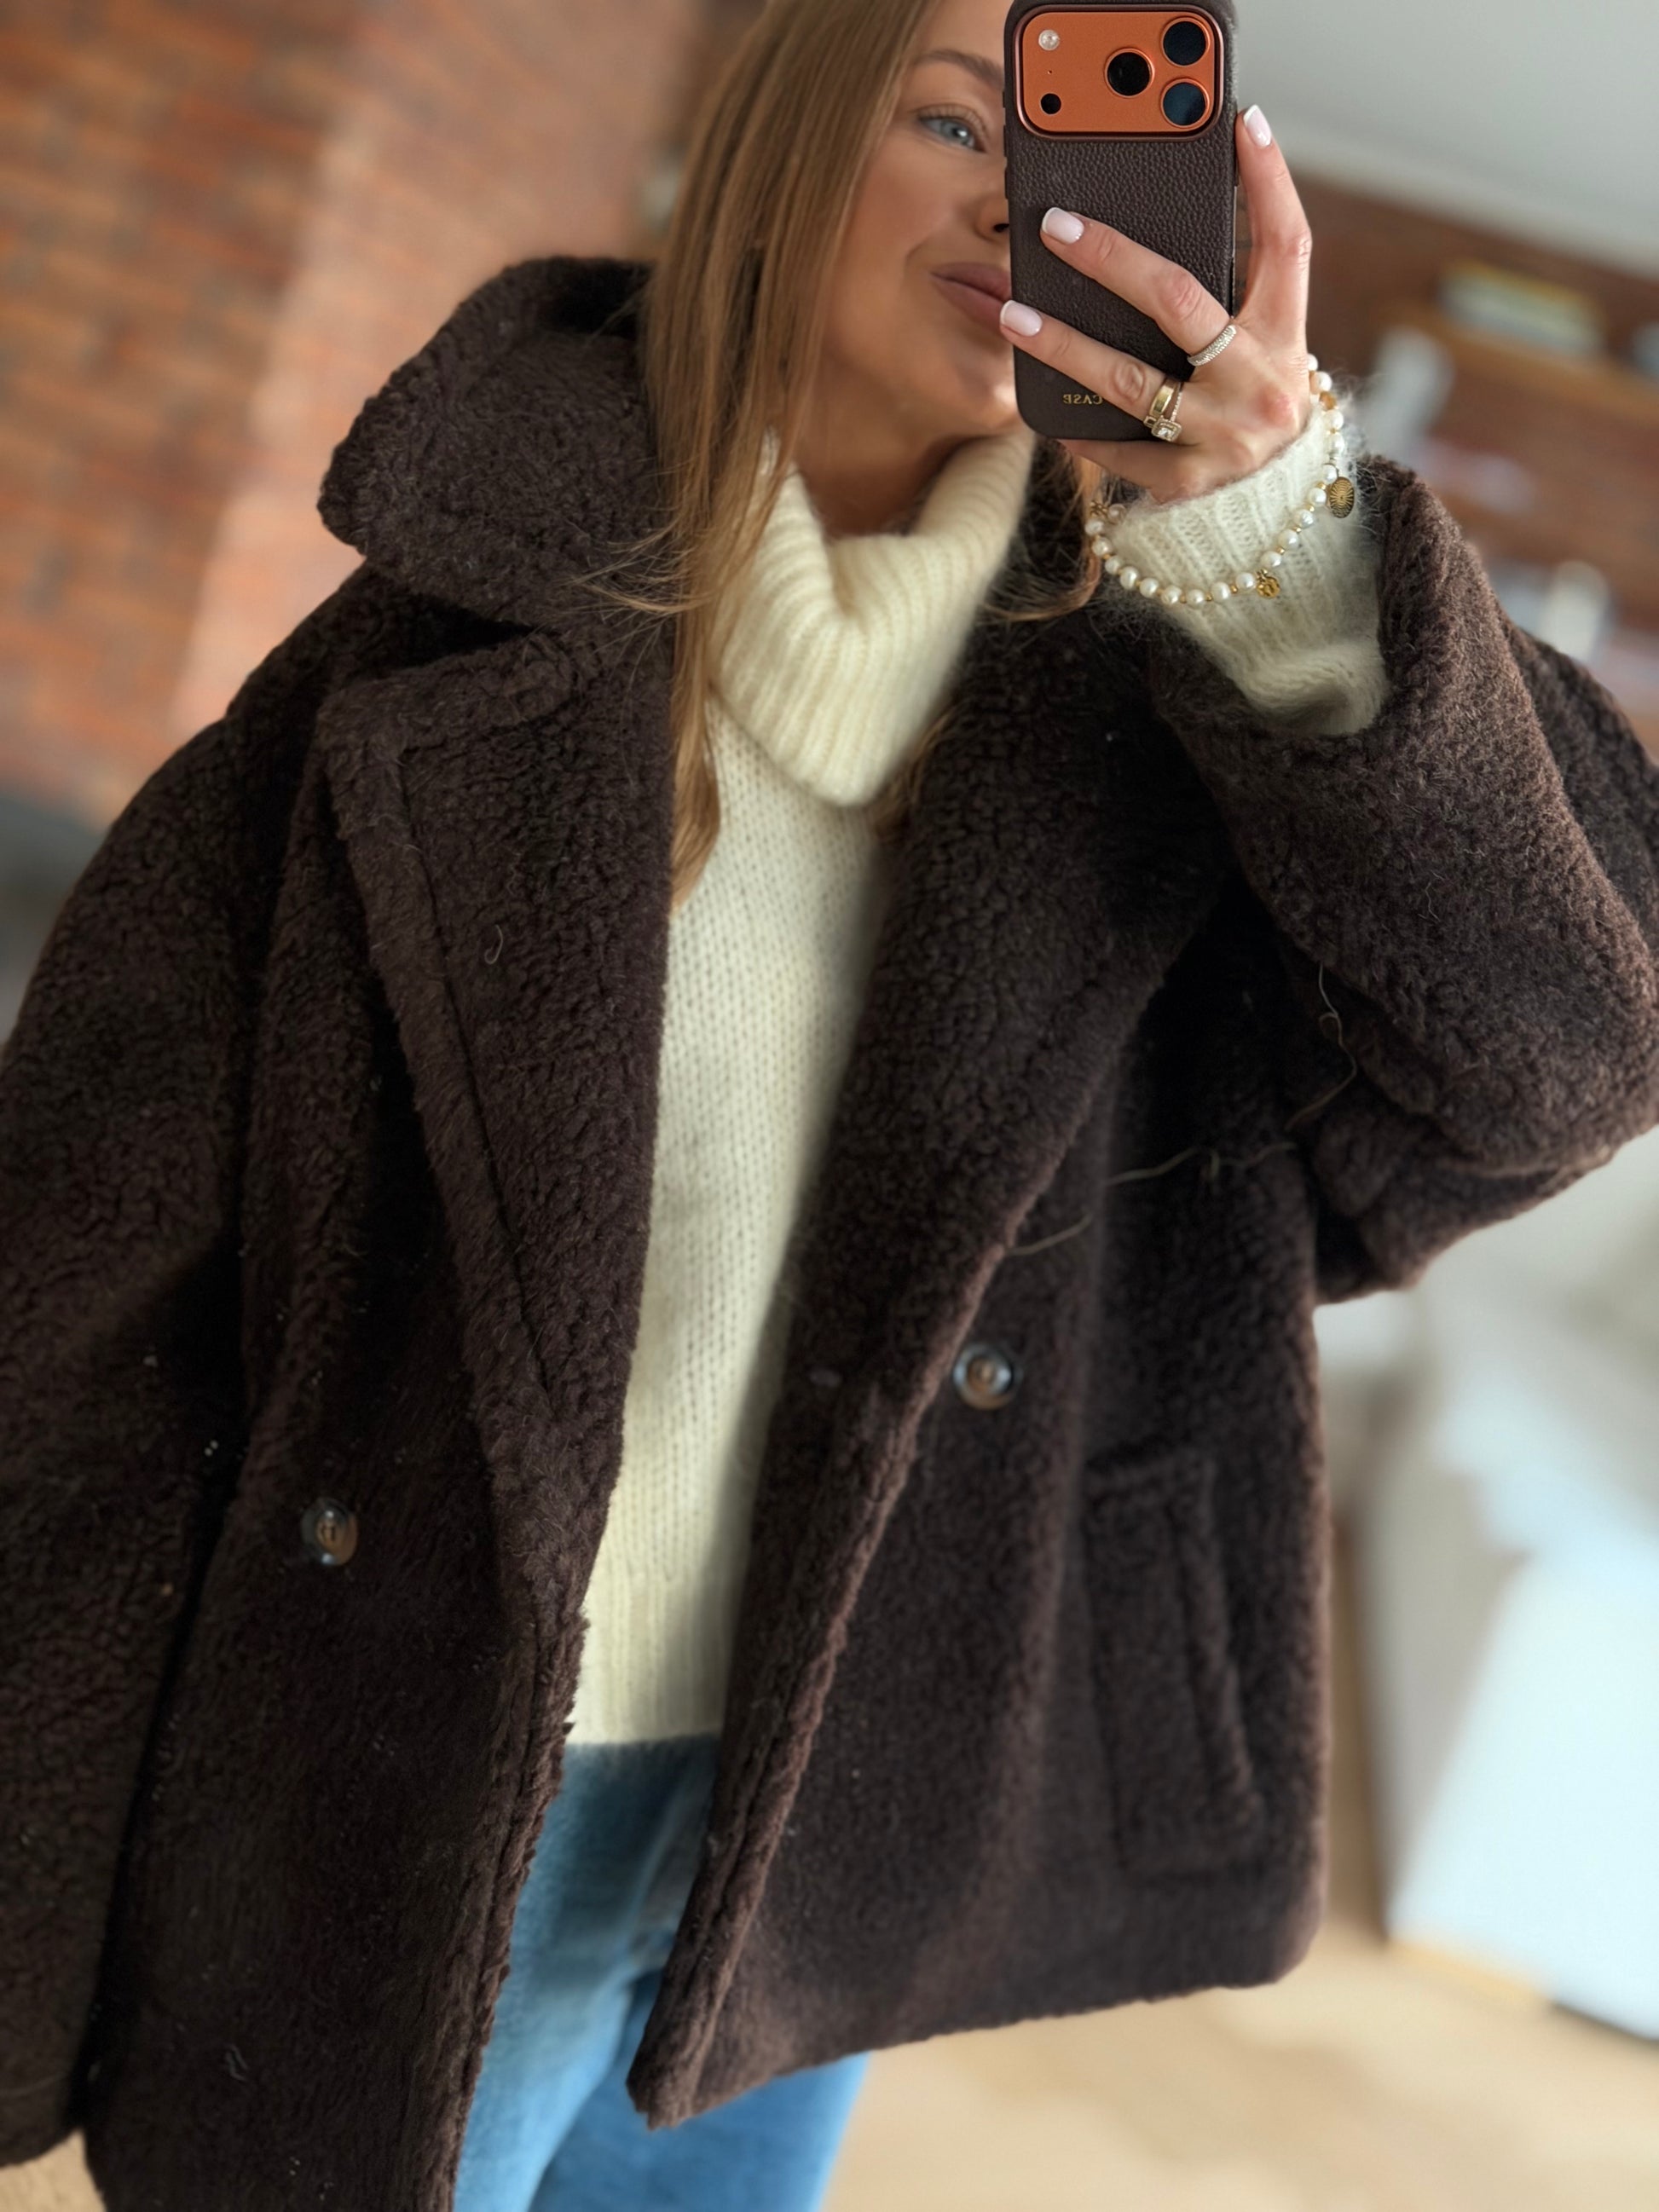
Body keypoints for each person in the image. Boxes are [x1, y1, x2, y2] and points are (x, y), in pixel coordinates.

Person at [3, 1, 1656, 2208]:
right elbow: (78, 1326)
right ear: (786, 149)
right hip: (404, 1793)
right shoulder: (421, 673)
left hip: (836, 1808)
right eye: (956, 121)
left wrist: (1280, 547)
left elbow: (1556, 1064)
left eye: (1086, 147)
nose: (1027, 204)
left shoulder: (1178, 722)